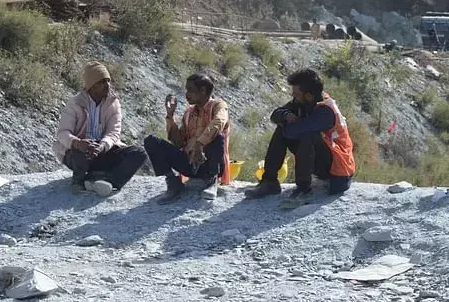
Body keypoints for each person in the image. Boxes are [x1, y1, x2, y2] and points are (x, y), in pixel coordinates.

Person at [244, 68, 355, 204]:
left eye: (296, 93)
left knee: (307, 134)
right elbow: (275, 115)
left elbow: (295, 131)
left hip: (338, 171)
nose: (293, 95)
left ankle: (304, 190)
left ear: (308, 95)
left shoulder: (325, 111)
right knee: (282, 130)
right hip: (323, 159)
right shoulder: (304, 102)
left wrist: (287, 123)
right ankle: (269, 181)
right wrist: (286, 115)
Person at [52, 61, 147, 196]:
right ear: (91, 85)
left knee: (139, 153)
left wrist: (102, 146)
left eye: (108, 81)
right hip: (80, 151)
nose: (107, 85)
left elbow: (114, 132)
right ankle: (79, 182)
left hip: (103, 149)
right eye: (101, 82)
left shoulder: (113, 103)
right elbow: (62, 133)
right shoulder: (75, 103)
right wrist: (78, 143)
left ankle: (109, 182)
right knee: (78, 155)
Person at [144, 74, 229, 205]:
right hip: (190, 164)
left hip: (208, 163)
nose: (186, 94)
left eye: (190, 90)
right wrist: (170, 115)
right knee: (151, 141)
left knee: (218, 137)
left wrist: (199, 144)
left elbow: (219, 122)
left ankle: (212, 181)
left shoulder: (218, 105)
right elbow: (178, 143)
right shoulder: (189, 112)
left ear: (203, 91)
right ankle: (173, 183)